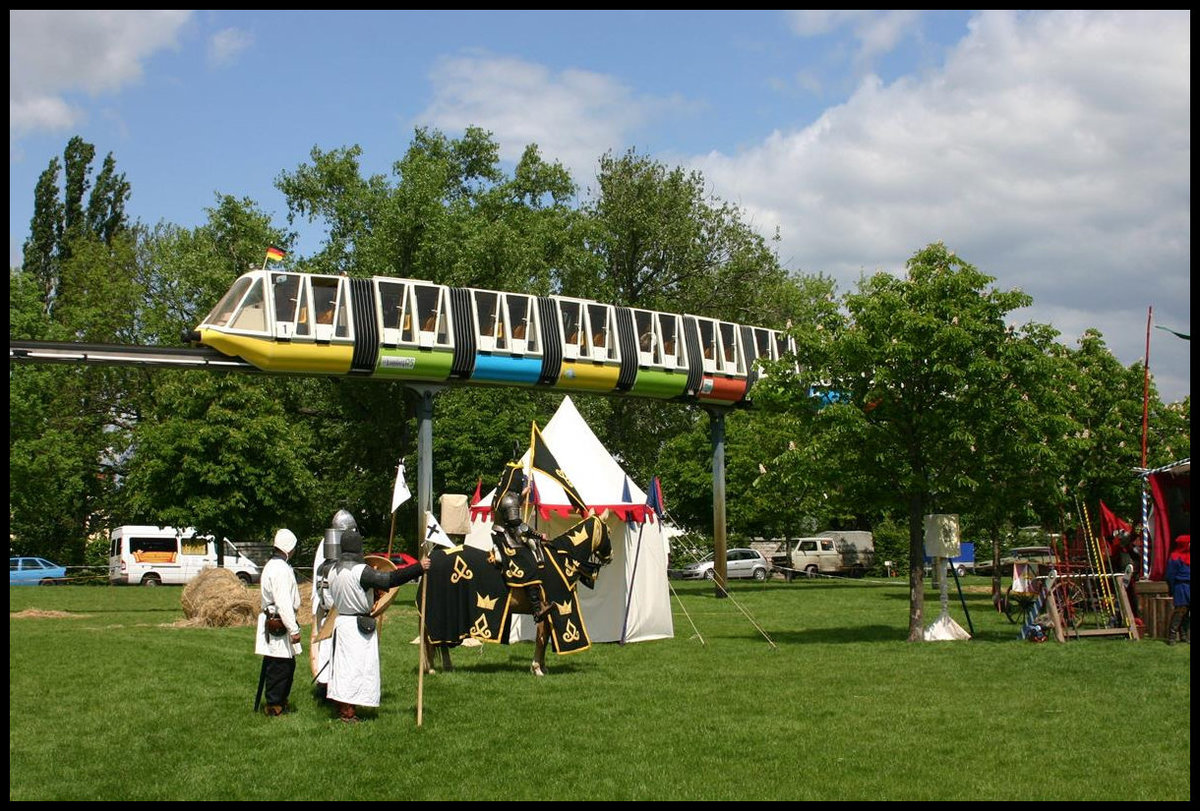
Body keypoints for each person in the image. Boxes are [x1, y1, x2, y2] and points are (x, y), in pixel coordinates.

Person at [326, 524, 429, 723]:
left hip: (342, 623)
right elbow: (390, 579)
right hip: (356, 628)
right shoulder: (360, 571)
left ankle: (342, 707)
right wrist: (419, 567)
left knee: (344, 669)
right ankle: (348, 713)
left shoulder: (332, 570)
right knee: (355, 670)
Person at [255, 528, 302, 716]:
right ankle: (274, 706)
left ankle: (280, 700)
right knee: (279, 665)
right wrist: (293, 629)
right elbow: (283, 602)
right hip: (278, 621)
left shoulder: (275, 566)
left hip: (277, 619)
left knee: (285, 664)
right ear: (289, 547)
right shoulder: (280, 569)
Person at [490, 490, 553, 623]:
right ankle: (537, 609)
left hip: (510, 536)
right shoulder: (508, 499)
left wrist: (523, 495)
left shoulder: (507, 496)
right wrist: (539, 535)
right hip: (507, 539)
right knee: (529, 564)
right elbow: (516, 523)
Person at [1165, 534, 1190, 645]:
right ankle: (1172, 636)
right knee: (1180, 610)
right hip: (1181, 585)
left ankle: (1184, 635)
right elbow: (1170, 575)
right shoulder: (1175, 557)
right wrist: (1172, 588)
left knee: (1188, 611)